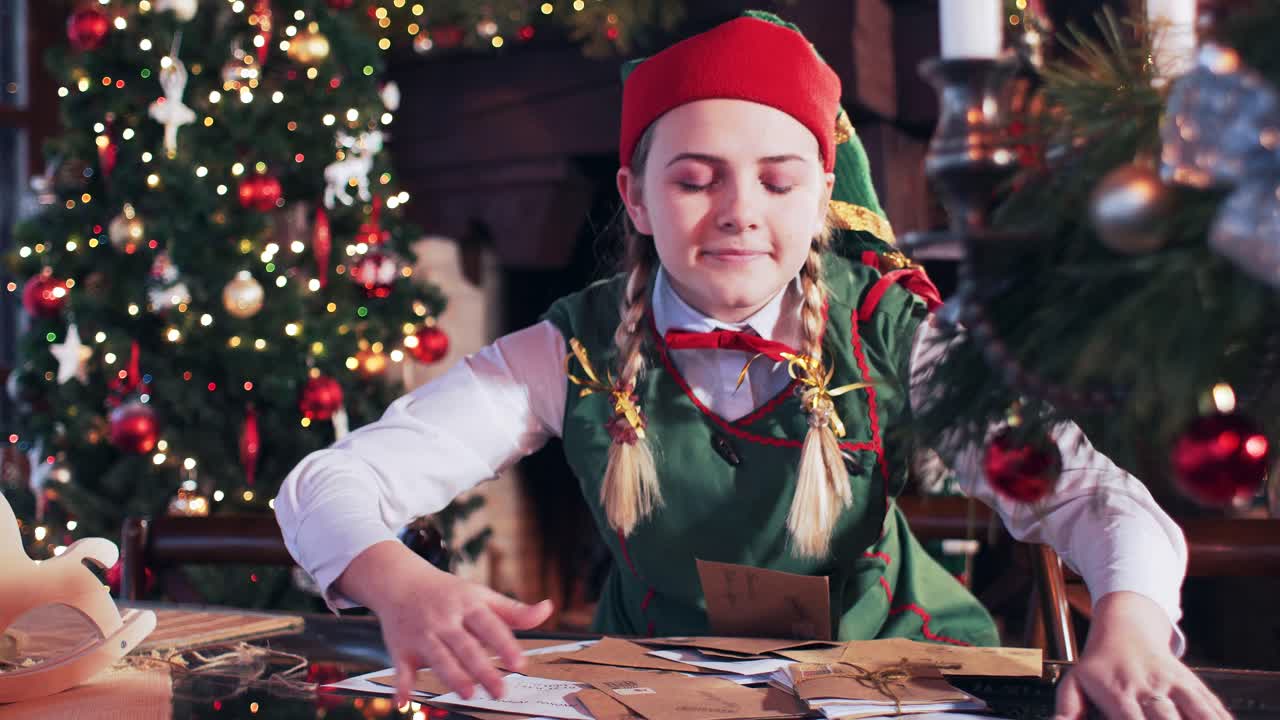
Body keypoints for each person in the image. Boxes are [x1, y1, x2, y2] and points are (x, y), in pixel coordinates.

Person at [275, 12, 1228, 720]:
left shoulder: (896, 331)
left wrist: (1133, 623)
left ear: (820, 198)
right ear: (636, 198)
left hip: (901, 685)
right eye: (694, 179)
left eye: (778, 181)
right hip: (658, 692)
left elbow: (1089, 496)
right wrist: (403, 583)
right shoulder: (565, 350)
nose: (738, 211)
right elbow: (330, 482)